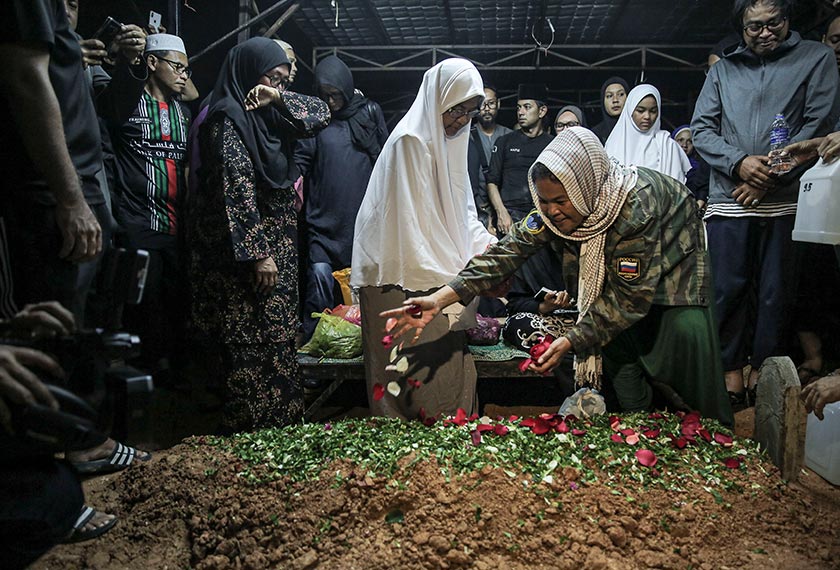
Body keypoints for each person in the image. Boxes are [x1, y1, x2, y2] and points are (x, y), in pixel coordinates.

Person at [380, 127, 733, 426]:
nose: (551, 212)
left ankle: (716, 435)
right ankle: (634, 421)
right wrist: (440, 299)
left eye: (561, 201)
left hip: (676, 277)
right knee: (619, 352)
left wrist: (571, 339)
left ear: (585, 188)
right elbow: (507, 252)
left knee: (684, 342)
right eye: (544, 202)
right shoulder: (557, 209)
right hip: (624, 286)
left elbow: (628, 299)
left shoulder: (633, 208)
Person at [691, 0, 840, 408]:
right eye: (753, 26)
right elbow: (702, 129)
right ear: (741, 27)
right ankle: (730, 372)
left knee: (776, 292)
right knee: (727, 290)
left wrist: (769, 180)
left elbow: (820, 125)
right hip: (730, 197)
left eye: (772, 23)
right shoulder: (723, 70)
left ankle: (765, 372)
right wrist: (739, 164)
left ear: (788, 19)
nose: (764, 33)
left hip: (786, 200)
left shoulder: (816, 58)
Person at [351, 58, 496, 420]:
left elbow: (462, 211)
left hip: (433, 266)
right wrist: (463, 275)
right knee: (406, 374)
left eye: (470, 113)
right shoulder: (410, 142)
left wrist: (486, 248)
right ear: (437, 99)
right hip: (398, 271)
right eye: (456, 110)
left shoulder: (452, 143)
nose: (462, 120)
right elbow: (415, 226)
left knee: (447, 370)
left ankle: (445, 450)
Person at [188, 37, 315, 431]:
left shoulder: (268, 116)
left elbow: (319, 114)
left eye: (282, 80)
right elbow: (236, 188)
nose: (278, 86)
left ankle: (280, 425)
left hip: (275, 253)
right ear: (247, 74)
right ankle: (250, 431)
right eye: (271, 78)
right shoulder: (227, 119)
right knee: (249, 341)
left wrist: (276, 99)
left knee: (278, 338)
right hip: (247, 261)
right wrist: (259, 252)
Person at [0, 0, 104, 319]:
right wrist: (71, 200)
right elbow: (26, 77)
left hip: (65, 191)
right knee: (51, 335)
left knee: (74, 332)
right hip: (48, 197)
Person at [295, 55, 388, 341]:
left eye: (335, 95)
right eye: (324, 95)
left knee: (359, 291)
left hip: (360, 225)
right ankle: (315, 345)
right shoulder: (316, 120)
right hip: (322, 223)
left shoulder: (369, 112)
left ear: (346, 89)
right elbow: (301, 159)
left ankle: (362, 349)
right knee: (319, 281)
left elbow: (385, 161)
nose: (331, 102)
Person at [486, 83, 553, 234]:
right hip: (509, 217)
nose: (521, 112)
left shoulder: (552, 145)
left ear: (542, 111)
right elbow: (492, 182)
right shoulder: (504, 142)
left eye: (527, 107)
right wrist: (501, 213)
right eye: (518, 107)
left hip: (541, 218)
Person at [605, 84, 691, 183]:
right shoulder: (613, 144)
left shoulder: (667, 146)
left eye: (653, 111)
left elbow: (675, 188)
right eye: (640, 111)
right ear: (630, 110)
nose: (647, 116)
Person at [469, 84, 512, 230]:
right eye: (482, 104)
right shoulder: (467, 137)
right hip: (478, 208)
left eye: (491, 103)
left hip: (506, 209)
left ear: (498, 104)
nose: (486, 109)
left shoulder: (509, 136)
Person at [672, 125, 711, 209]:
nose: (684, 145)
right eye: (680, 140)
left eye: (690, 141)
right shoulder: (667, 164)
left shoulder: (700, 167)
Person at [591, 76, 629, 144]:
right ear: (603, 100)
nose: (615, 100)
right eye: (609, 96)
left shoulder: (637, 130)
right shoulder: (594, 135)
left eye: (621, 94)